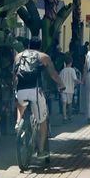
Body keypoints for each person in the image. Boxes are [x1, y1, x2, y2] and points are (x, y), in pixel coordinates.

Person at [15, 36, 64, 164]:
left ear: (29, 45)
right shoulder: (43, 56)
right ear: (40, 46)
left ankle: (18, 122)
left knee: (20, 104)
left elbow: (14, 75)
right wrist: (61, 84)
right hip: (35, 91)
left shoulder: (19, 56)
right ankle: (41, 150)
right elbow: (53, 74)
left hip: (20, 90)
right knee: (43, 121)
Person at [59, 55, 80, 120]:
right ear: (71, 62)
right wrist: (79, 82)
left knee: (64, 103)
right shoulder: (72, 70)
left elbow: (59, 79)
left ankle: (64, 116)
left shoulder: (62, 71)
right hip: (70, 89)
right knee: (70, 103)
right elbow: (74, 79)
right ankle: (70, 116)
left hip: (63, 89)